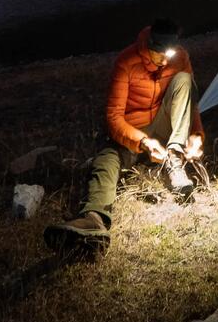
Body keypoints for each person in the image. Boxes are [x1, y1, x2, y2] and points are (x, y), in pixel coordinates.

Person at [44, 18, 203, 249]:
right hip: (135, 131)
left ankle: (174, 159)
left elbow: (190, 101)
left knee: (185, 80)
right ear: (149, 44)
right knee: (106, 159)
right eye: (160, 54)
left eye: (170, 52)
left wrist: (196, 133)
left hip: (165, 126)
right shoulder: (126, 61)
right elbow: (113, 117)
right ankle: (93, 219)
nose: (165, 59)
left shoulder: (180, 57)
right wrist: (143, 141)